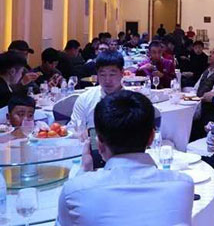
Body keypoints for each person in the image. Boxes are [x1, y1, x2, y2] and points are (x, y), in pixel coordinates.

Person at [58, 91, 194, 226]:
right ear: (152, 137)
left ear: (99, 142)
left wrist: (84, 170)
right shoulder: (183, 185)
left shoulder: (74, 191)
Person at [69, 51, 126, 129]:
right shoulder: (85, 99)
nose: (107, 80)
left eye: (112, 74)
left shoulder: (132, 100)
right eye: (102, 75)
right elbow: (74, 129)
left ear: (122, 73)